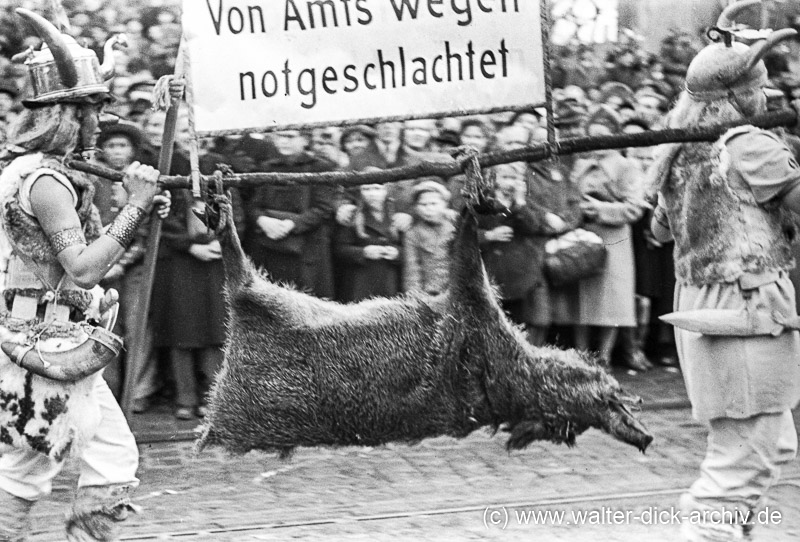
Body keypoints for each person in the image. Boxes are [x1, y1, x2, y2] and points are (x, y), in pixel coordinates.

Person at [0, 9, 169, 540]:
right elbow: (84, 267)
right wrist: (134, 207)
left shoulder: (36, 171)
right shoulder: (43, 180)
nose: (100, 122)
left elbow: (85, 271)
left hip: (63, 336)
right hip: (41, 342)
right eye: (92, 109)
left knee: (113, 460)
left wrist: (131, 206)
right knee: (28, 467)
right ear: (65, 114)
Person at [648, 9, 800, 540]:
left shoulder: (677, 148)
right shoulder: (747, 145)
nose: (769, 97)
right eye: (760, 88)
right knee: (742, 458)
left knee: (770, 445)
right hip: (746, 308)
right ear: (736, 95)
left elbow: (661, 230)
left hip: (708, 305)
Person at [563, 106, 647, 366]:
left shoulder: (627, 167)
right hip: (585, 234)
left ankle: (604, 355)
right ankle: (581, 353)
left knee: (613, 298)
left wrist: (600, 209)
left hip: (615, 237)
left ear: (614, 135)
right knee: (583, 296)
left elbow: (634, 207)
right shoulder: (581, 165)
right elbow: (568, 198)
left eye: (602, 135)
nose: (597, 141)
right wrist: (578, 209)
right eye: (592, 135)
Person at [243, 129, 337, 298]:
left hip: (307, 250)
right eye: (280, 136)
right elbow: (253, 205)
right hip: (271, 246)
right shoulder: (266, 167)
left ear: (305, 140)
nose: (283, 141)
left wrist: (292, 224)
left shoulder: (320, 166)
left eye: (290, 136)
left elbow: (323, 208)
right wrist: (262, 220)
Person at [334, 182, 402, 302]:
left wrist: (397, 253)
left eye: (377, 188)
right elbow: (339, 249)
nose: (372, 193)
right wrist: (363, 252)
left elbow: (407, 248)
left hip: (389, 282)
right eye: (366, 189)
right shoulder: (352, 215)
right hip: (359, 284)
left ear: (386, 191)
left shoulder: (396, 216)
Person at [403, 180, 455, 296]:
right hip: (430, 293)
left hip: (455, 290)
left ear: (444, 205)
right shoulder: (412, 234)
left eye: (433, 204)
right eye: (423, 205)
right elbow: (412, 269)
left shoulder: (455, 228)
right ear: (416, 208)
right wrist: (415, 296)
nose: (429, 209)